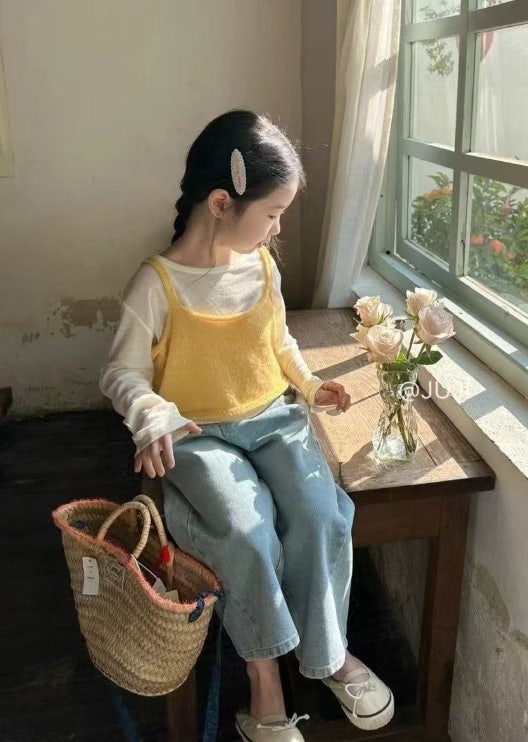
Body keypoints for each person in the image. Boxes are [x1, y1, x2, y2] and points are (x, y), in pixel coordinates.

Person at [100, 110, 394, 742]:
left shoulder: (261, 266)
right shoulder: (155, 284)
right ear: (221, 203)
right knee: (244, 532)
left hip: (275, 420)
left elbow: (279, 341)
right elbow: (122, 373)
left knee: (320, 515)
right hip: (198, 435)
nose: (278, 227)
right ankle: (266, 686)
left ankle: (328, 655)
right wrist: (151, 415)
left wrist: (310, 385)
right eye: (273, 213)